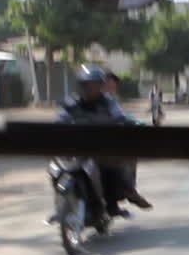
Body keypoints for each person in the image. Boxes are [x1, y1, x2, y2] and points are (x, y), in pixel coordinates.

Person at [57, 64, 152, 214]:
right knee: (55, 167)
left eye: (95, 85)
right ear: (81, 85)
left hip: (100, 147)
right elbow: (59, 121)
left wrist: (128, 125)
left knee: (112, 164)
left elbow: (121, 117)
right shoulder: (70, 104)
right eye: (88, 85)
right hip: (76, 147)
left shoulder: (108, 102)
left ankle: (114, 202)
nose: (91, 89)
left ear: (101, 86)